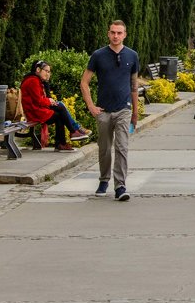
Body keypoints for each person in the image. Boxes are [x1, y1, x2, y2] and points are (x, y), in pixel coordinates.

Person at [80, 20, 140, 201]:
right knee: (104, 148)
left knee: (122, 147)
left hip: (124, 109)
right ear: (108, 34)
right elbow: (84, 82)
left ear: (125, 35)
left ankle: (120, 186)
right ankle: (104, 180)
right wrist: (90, 105)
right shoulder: (98, 55)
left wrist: (135, 112)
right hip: (104, 110)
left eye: (119, 33)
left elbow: (134, 85)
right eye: (113, 32)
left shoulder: (132, 55)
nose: (116, 36)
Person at [20, 61, 90, 151]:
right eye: (46, 71)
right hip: (34, 112)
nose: (48, 74)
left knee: (59, 110)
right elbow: (39, 101)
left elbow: (42, 98)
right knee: (60, 109)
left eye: (49, 72)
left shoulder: (36, 80)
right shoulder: (33, 81)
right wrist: (49, 101)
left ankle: (63, 141)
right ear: (38, 70)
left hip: (36, 110)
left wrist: (47, 85)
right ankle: (72, 132)